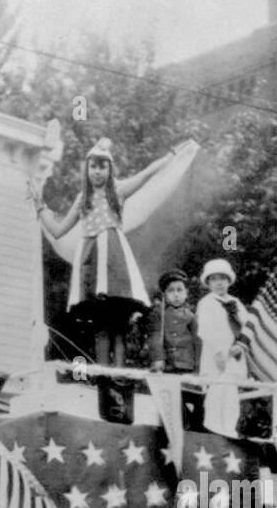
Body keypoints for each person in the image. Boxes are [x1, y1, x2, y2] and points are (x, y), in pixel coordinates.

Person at [34, 137, 174, 368]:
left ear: (110, 169)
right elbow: (58, 230)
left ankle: (118, 374)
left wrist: (168, 157)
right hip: (91, 261)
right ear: (87, 169)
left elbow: (146, 175)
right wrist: (41, 208)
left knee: (118, 322)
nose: (97, 172)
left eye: (103, 166)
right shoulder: (83, 199)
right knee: (99, 324)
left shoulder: (117, 191)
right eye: (93, 166)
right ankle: (102, 374)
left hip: (113, 261)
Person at [195, 258, 251, 438]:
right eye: (214, 279)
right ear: (208, 283)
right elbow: (206, 330)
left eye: (223, 278)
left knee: (231, 395)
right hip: (216, 355)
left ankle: (229, 430)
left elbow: (247, 327)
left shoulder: (236, 303)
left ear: (229, 281)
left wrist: (241, 345)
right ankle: (214, 430)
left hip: (235, 355)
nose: (219, 283)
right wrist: (218, 352)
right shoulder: (207, 303)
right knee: (216, 392)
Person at [146, 268, 202, 375]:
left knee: (186, 390)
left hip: (187, 365)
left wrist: (198, 366)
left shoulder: (191, 317)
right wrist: (158, 358)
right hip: (166, 364)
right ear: (164, 295)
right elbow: (155, 337)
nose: (176, 294)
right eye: (171, 291)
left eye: (179, 290)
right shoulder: (159, 314)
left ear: (186, 293)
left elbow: (197, 341)